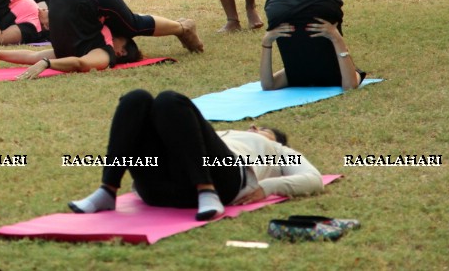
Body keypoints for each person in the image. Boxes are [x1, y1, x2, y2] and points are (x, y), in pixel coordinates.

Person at [68, 89, 324, 220]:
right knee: (136, 99)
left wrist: (267, 187)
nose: (256, 128)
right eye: (256, 127)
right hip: (159, 186)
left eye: (264, 130)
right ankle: (107, 190)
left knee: (170, 100)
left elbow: (313, 179)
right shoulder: (215, 134)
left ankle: (205, 190)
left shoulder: (277, 150)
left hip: (223, 184)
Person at [0, 0, 204, 80]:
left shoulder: (104, 54)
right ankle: (182, 27)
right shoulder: (101, 47)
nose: (117, 33)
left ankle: (182, 28)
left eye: (119, 38)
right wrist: (47, 63)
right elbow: (78, 62)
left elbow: (41, 57)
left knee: (131, 25)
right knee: (132, 24)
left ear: (120, 51)